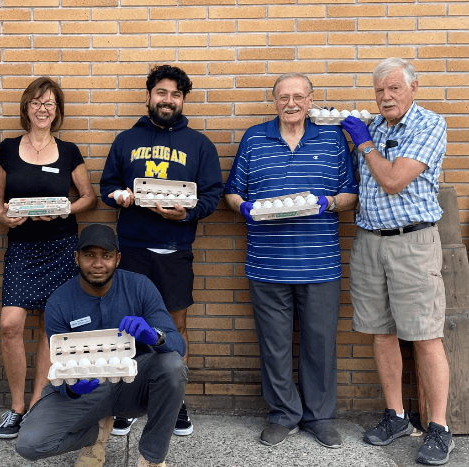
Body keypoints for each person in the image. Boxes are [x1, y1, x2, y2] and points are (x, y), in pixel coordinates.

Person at [224, 72, 358, 448]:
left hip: (321, 264)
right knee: (274, 345)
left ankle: (320, 417)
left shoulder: (332, 139)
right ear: (275, 101)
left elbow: (350, 194)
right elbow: (233, 191)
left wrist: (327, 203)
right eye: (284, 97)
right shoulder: (255, 137)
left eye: (299, 96)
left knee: (320, 343)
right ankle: (283, 415)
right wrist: (244, 208)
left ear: (311, 100)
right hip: (267, 264)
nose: (291, 104)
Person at [99, 64, 223, 436]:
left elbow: (213, 195)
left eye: (176, 94)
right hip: (132, 248)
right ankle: (124, 398)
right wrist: (118, 196)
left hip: (175, 249)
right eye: (162, 93)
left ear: (183, 100)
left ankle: (175, 399)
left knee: (175, 325)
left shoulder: (200, 144)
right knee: (125, 325)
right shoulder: (125, 140)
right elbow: (108, 185)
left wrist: (188, 213)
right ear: (149, 95)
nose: (168, 100)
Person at [341, 57, 453, 465]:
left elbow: (393, 180)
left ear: (413, 87)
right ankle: (396, 416)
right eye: (379, 91)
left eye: (394, 88)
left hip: (413, 242)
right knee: (381, 332)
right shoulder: (371, 125)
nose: (385, 97)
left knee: (425, 335)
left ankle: (439, 429)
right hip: (369, 241)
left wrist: (364, 144)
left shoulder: (429, 124)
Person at [15, 224, 187, 467]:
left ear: (117, 259)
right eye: (89, 256)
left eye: (106, 256)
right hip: (87, 389)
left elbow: (178, 345)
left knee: (172, 365)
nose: (98, 264)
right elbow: (59, 368)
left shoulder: (139, 287)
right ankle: (95, 433)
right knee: (30, 445)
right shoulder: (60, 301)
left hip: (132, 383)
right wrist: (74, 389)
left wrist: (154, 336)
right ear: (77, 258)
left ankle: (151, 458)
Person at [0, 77, 97, 439]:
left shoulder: (68, 151)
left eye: (50, 104)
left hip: (60, 247)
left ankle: (37, 402)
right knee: (11, 325)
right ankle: (16, 405)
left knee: (50, 328)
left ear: (58, 112)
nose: (42, 109)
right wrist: (5, 216)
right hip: (22, 249)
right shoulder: (7, 148)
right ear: (26, 107)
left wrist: (64, 210)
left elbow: (89, 197)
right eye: (37, 102)